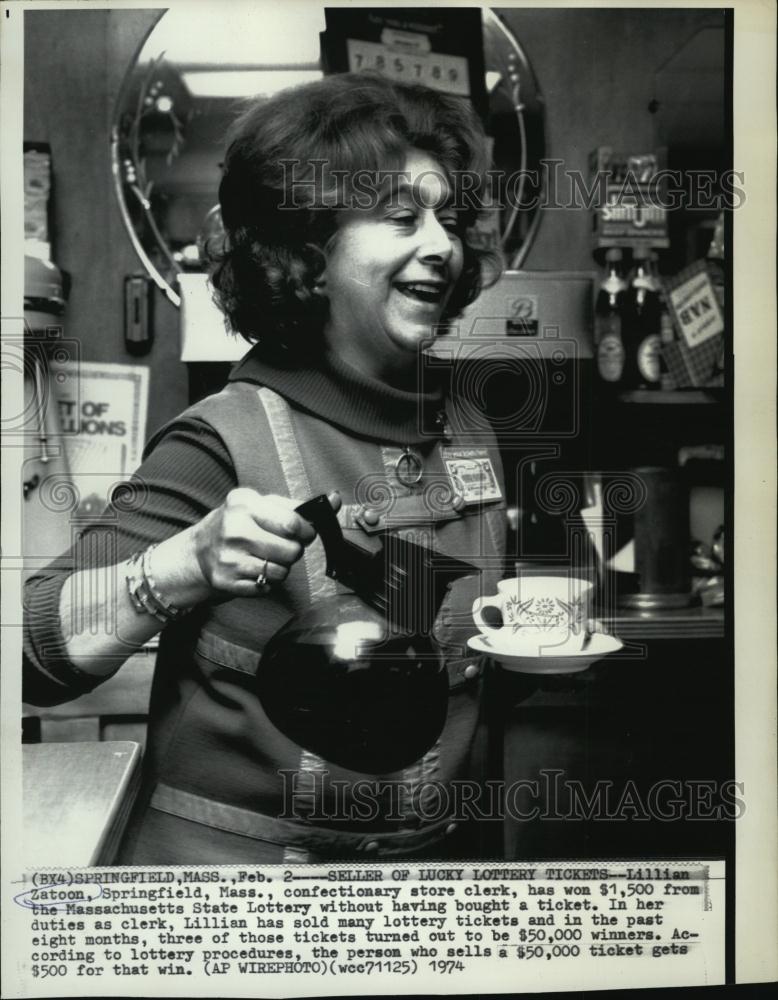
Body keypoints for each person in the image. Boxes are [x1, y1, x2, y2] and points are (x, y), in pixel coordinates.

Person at [23, 72, 507, 864]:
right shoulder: (219, 438)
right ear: (309, 252)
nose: (441, 246)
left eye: (448, 218)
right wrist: (181, 564)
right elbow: (28, 659)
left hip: (424, 902)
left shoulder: (469, 429)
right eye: (400, 218)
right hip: (234, 904)